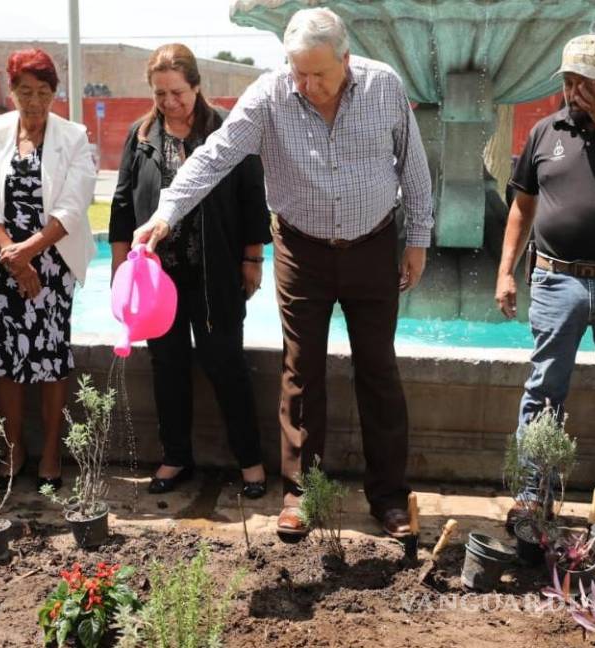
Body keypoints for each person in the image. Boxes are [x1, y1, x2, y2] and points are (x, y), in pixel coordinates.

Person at [131, 8, 433, 538]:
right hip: (301, 249)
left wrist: (418, 238)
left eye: (320, 73)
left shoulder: (384, 84)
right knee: (301, 372)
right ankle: (300, 495)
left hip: (372, 244)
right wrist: (165, 212)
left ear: (346, 59)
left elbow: (413, 163)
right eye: (300, 72)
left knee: (379, 370)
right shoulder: (270, 94)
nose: (309, 85)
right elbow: (214, 156)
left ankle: (387, 496)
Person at [495, 35, 595, 543]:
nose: (575, 93)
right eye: (569, 83)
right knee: (543, 392)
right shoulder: (547, 131)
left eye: (586, 83)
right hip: (555, 279)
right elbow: (522, 207)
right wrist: (506, 272)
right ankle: (533, 495)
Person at [109, 44, 270, 497]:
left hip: (214, 272)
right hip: (159, 280)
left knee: (226, 363)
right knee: (167, 365)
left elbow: (252, 197)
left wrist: (252, 258)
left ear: (197, 85)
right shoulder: (141, 137)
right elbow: (123, 206)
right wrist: (121, 269)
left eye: (177, 92)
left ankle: (251, 461)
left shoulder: (227, 130)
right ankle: (176, 456)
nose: (169, 102)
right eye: (160, 94)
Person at [0, 48, 97, 489]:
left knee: (51, 359)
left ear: (55, 93)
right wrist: (11, 255)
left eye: (42, 92)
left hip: (51, 265)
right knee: (3, 359)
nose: (33, 102)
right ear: (11, 91)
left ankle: (52, 450)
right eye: (24, 92)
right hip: (1, 262)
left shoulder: (73, 137)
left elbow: (73, 206)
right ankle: (13, 445)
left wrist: (30, 253)